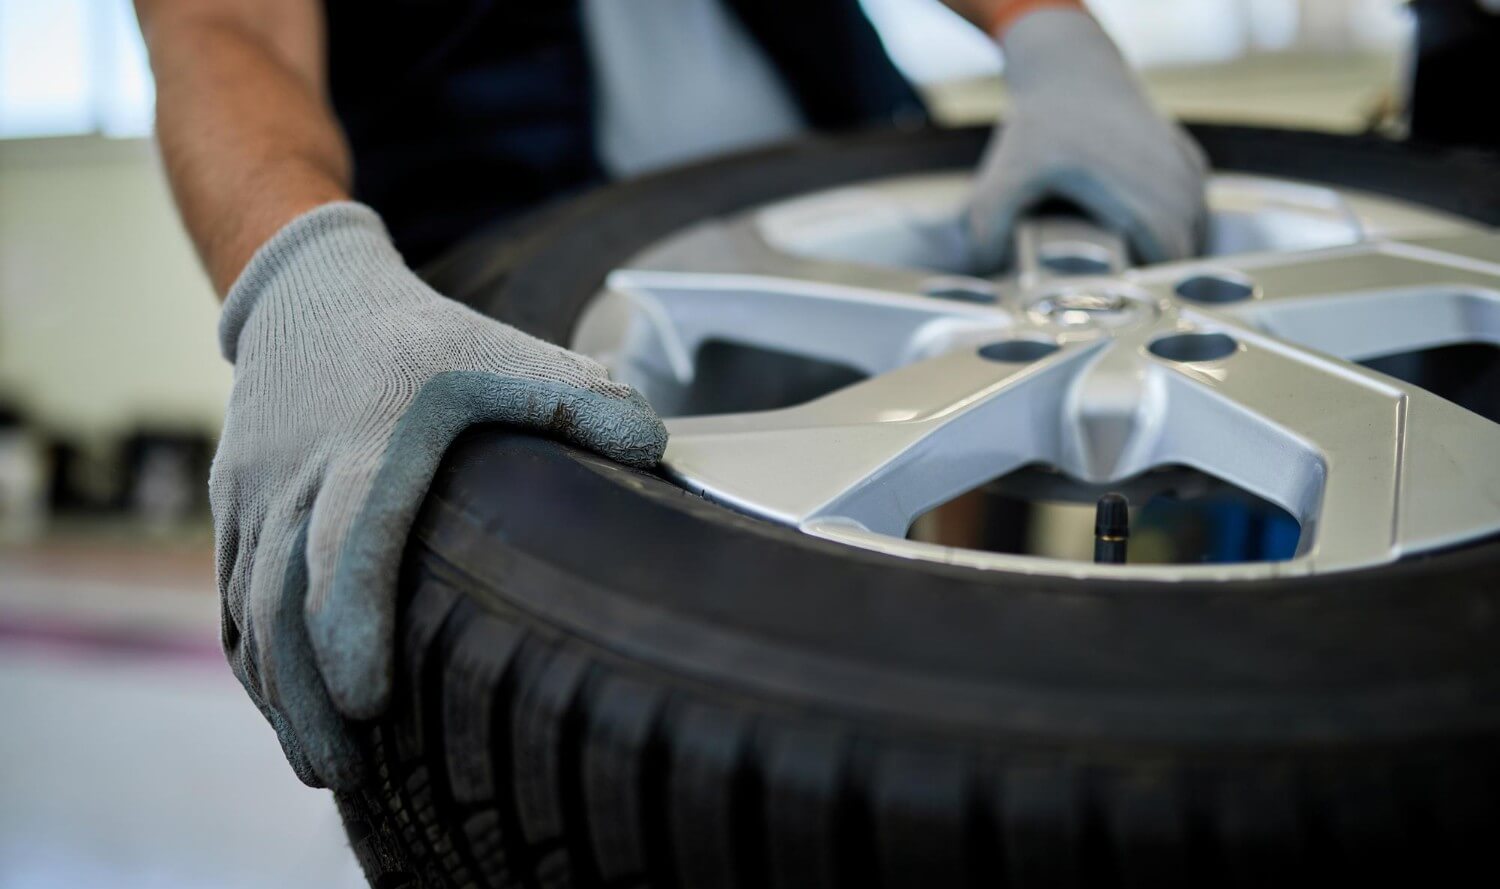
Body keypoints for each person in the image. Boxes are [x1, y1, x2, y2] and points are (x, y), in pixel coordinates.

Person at [133, 0, 1208, 790]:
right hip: (506, 330)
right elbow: (229, 29)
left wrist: (1048, 33)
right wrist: (298, 276)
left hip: (871, 240)